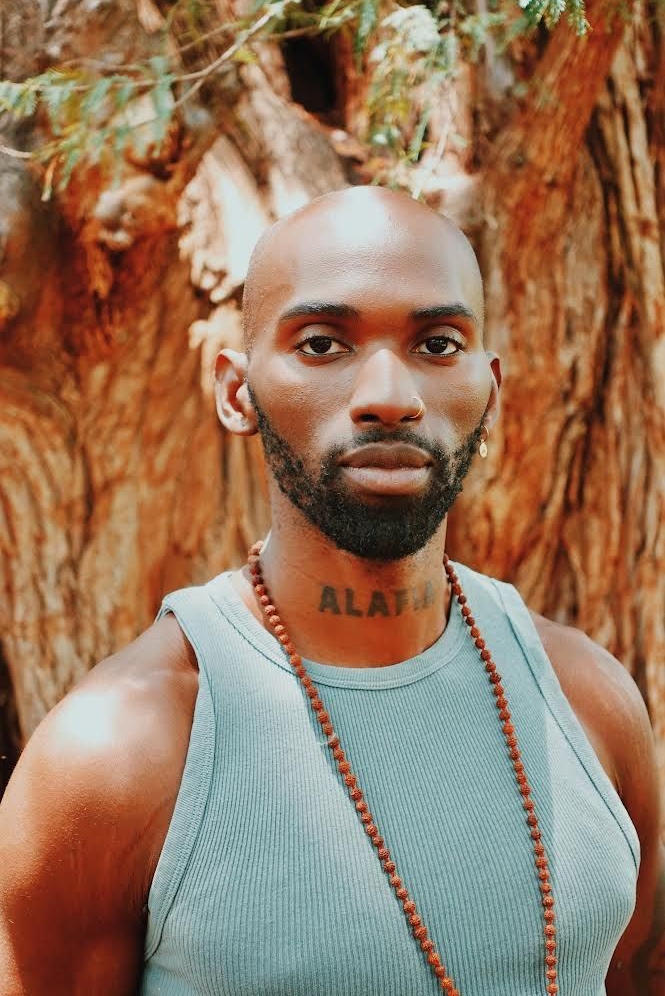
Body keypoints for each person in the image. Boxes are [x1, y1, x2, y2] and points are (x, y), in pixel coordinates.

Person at [0, 187, 662, 996]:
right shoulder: (115, 757)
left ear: (488, 389)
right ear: (237, 392)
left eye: (437, 342)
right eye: (321, 344)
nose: (389, 394)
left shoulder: (589, 700)